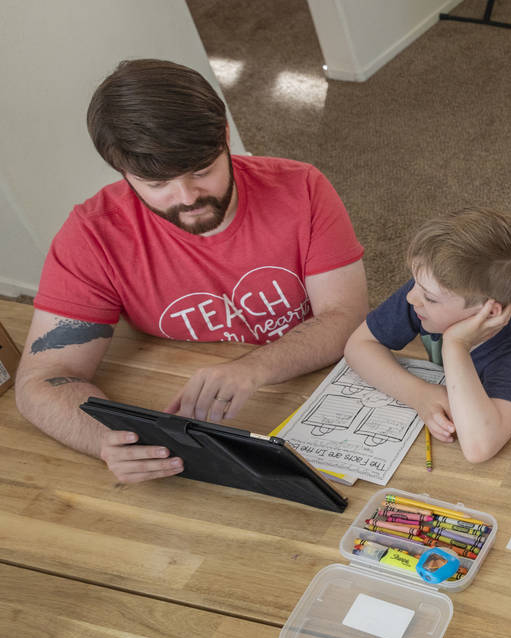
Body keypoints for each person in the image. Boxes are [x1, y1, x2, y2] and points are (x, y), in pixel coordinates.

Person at [14, 59, 368, 485]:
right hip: (187, 436)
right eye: (157, 183)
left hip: (318, 400)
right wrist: (109, 441)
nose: (187, 198)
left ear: (224, 137)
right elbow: (42, 379)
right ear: (121, 171)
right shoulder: (93, 235)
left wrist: (251, 368)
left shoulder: (302, 189)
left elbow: (346, 316)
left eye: (202, 171)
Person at [344, 207, 511, 463]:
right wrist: (420, 394)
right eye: (415, 283)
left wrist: (454, 345)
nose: (411, 297)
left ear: (488, 313)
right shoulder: (426, 292)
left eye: (429, 297)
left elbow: (479, 448)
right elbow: (358, 346)